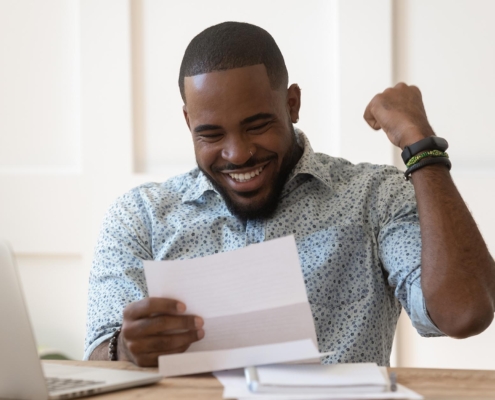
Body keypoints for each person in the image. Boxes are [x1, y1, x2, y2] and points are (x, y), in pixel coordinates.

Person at [84, 22, 495, 367]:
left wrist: (421, 147)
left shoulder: (375, 197)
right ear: (188, 121)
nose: (238, 153)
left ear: (292, 103)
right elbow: (98, 355)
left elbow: (464, 312)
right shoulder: (140, 217)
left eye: (257, 125)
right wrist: (125, 349)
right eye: (210, 134)